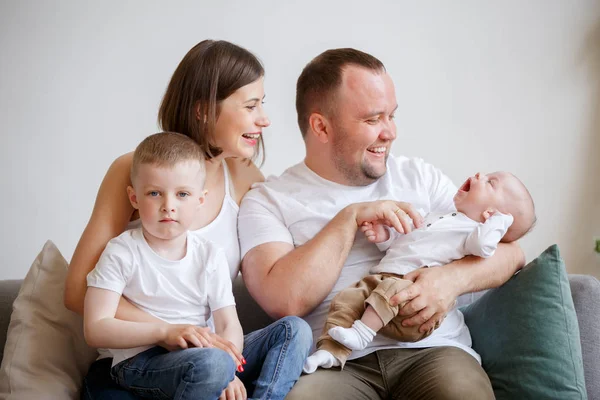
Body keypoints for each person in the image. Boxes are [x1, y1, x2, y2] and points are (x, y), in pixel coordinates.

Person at [238, 48, 526, 399]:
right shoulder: (268, 200)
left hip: (435, 352)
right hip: (337, 361)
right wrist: (350, 217)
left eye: (391, 116)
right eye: (373, 119)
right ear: (321, 126)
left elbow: (512, 253)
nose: (390, 132)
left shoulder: (419, 176)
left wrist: (451, 281)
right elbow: (284, 301)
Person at [64, 40, 312, 400]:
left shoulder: (245, 178)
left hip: (208, 353)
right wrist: (177, 336)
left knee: (294, 330)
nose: (265, 119)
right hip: (144, 357)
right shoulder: (136, 170)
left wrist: (220, 355)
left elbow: (277, 281)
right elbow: (76, 292)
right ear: (203, 110)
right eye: (250, 105)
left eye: (263, 103)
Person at [305, 171, 536, 372]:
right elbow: (407, 245)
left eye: (490, 182)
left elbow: (487, 247)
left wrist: (498, 223)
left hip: (411, 299)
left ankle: (363, 333)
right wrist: (385, 237)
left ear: (490, 213)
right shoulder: (438, 217)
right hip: (379, 280)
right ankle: (332, 352)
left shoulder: (474, 233)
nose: (479, 175)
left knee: (390, 291)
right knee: (346, 300)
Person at [85, 132, 246, 398]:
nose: (168, 206)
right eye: (155, 193)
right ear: (134, 198)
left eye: (182, 194)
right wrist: (165, 332)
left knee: (292, 331)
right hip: (140, 361)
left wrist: (229, 371)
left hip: (200, 359)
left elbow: (229, 324)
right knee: (212, 363)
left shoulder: (209, 255)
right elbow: (95, 328)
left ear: (200, 200)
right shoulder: (122, 251)